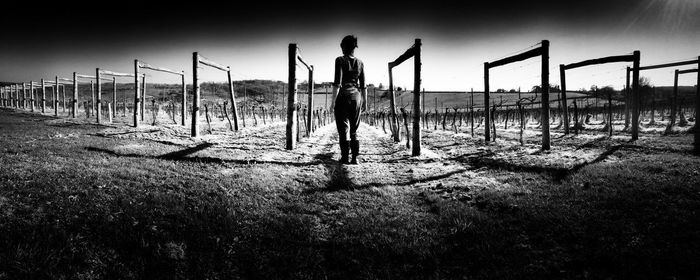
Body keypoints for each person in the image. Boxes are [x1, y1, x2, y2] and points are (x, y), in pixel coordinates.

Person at [332, 35, 367, 164]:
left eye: (342, 46)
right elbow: (363, 86)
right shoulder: (360, 63)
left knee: (343, 129)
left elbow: (337, 83)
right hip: (356, 98)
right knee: (354, 129)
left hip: (342, 97)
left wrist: (332, 102)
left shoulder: (339, 60)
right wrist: (365, 102)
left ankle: (345, 157)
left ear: (344, 47)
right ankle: (354, 158)